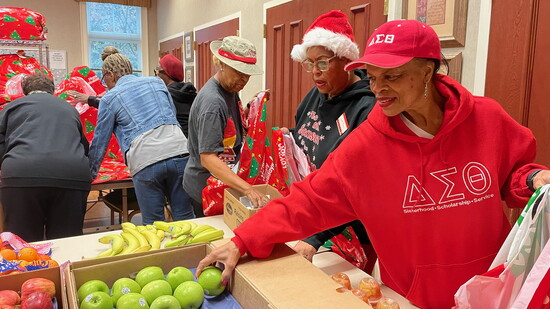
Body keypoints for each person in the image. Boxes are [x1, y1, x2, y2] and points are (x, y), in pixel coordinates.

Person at [197, 20, 550, 308]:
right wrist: (243, 240)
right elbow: (307, 202)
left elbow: (512, 175)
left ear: (428, 71)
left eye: (391, 76)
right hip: (414, 298)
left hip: (496, 289)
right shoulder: (367, 145)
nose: (378, 88)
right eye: (373, 75)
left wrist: (534, 179)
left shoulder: (486, 118)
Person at [283, 10, 376, 267]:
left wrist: (315, 238)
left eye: (322, 63)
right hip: (311, 218)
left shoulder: (367, 108)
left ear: (346, 60)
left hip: (349, 232)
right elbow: (301, 134)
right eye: (309, 64)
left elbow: (355, 184)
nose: (314, 72)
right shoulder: (315, 94)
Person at [88, 47, 193, 225]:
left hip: (146, 161)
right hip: (179, 151)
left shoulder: (109, 98)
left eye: (103, 77)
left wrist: (90, 174)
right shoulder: (157, 83)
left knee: (153, 225)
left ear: (110, 74)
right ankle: (194, 253)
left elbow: (100, 141)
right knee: (185, 219)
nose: (103, 82)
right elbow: (172, 115)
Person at [183, 36, 269, 218]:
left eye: (248, 72)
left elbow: (228, 126)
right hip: (205, 187)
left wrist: (250, 107)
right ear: (222, 64)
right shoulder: (213, 103)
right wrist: (247, 189)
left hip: (220, 180)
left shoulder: (230, 89)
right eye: (239, 71)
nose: (244, 78)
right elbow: (208, 158)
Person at [0, 73, 92, 241]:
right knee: (67, 241)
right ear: (53, 91)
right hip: (71, 176)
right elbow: (83, 146)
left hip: (22, 174)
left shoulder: (11, 107)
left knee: (23, 243)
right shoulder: (69, 109)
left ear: (25, 91)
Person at [155, 54, 197, 138]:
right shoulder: (191, 93)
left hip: (175, 145)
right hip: (194, 142)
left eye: (158, 72)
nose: (156, 76)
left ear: (167, 74)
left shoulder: (164, 97)